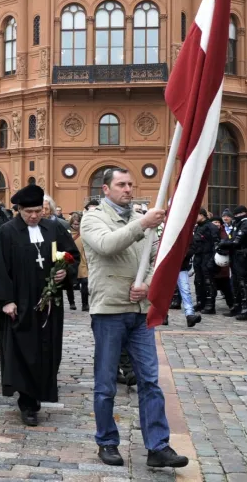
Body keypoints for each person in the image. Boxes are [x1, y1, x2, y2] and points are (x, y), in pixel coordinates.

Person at [80, 167, 189, 469]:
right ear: (106, 189)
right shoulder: (93, 218)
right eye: (121, 185)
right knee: (106, 384)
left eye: (130, 184)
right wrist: (143, 222)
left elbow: (157, 260)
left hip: (139, 313)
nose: (127, 189)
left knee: (150, 381)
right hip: (110, 311)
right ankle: (107, 441)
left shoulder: (141, 219)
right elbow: (107, 245)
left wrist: (148, 284)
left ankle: (158, 446)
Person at [0, 184, 78, 425]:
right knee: (23, 351)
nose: (34, 216)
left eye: (38, 211)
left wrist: (64, 272)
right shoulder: (7, 232)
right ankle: (27, 402)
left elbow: (72, 256)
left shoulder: (54, 228)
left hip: (49, 304)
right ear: (19, 210)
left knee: (47, 350)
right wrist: (6, 300)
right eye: (29, 212)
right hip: (19, 304)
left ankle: (41, 393)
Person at [221, 205, 247, 320]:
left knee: (241, 282)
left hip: (243, 256)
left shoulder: (246, 223)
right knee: (235, 282)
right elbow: (234, 238)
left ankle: (246, 309)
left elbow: (237, 240)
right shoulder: (239, 223)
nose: (236, 216)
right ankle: (237, 307)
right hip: (236, 255)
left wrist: (224, 243)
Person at [193, 209, 220, 316]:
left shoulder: (211, 227)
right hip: (198, 256)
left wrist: (212, 259)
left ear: (202, 215)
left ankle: (210, 305)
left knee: (208, 281)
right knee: (198, 281)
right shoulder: (198, 227)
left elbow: (216, 244)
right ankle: (201, 302)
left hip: (208, 255)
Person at [69, 212, 90, 311]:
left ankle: (85, 304)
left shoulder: (84, 234)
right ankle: (71, 302)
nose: (76, 226)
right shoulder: (67, 234)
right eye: (74, 224)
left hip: (82, 261)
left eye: (78, 224)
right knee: (69, 284)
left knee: (84, 283)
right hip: (70, 261)